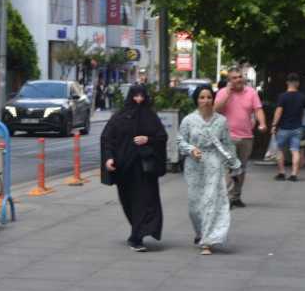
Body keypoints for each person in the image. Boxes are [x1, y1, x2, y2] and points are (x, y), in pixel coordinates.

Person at [100, 85, 168, 252]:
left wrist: (148, 139)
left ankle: (136, 236)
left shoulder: (151, 117)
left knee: (145, 201)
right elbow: (107, 138)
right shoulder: (119, 117)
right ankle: (137, 231)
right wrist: (109, 158)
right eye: (136, 96)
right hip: (124, 169)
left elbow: (162, 137)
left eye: (142, 96)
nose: (139, 100)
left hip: (145, 169)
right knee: (129, 202)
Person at [178, 85, 241, 255]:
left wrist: (234, 163)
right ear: (196, 100)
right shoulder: (188, 120)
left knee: (210, 202)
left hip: (214, 163)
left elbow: (227, 143)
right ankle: (200, 232)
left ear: (213, 99)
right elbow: (180, 141)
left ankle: (207, 241)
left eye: (208, 97)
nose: (205, 101)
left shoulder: (221, 121)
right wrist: (191, 149)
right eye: (202, 97)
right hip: (194, 165)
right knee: (194, 205)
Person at [214, 66, 267, 208]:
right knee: (229, 167)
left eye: (239, 77)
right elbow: (216, 110)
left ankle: (236, 196)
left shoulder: (251, 92)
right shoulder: (222, 93)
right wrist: (228, 93)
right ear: (229, 81)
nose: (238, 80)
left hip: (246, 136)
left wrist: (262, 123)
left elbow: (258, 109)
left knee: (241, 168)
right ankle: (225, 198)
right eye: (234, 78)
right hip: (227, 137)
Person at [271, 73, 305, 182]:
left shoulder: (282, 96)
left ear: (287, 82)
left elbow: (278, 112)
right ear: (298, 83)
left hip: (283, 128)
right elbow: (304, 111)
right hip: (297, 127)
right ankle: (294, 174)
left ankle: (282, 173)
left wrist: (274, 125)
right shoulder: (302, 97)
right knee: (295, 151)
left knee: (279, 149)